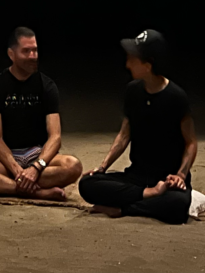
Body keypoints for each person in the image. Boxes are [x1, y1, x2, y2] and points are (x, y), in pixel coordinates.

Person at [79, 29, 197, 224]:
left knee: (178, 205)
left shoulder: (176, 97)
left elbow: (191, 142)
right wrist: (102, 167)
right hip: (137, 177)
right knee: (87, 184)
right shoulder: (133, 91)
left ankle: (124, 208)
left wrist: (180, 176)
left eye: (132, 59)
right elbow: (124, 135)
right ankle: (147, 195)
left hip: (167, 180)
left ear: (148, 65)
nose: (127, 64)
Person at [0, 27, 82, 200]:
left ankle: (2, 186)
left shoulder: (47, 86)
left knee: (73, 166)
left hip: (37, 154)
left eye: (35, 50)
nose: (33, 56)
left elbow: (55, 137)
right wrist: (18, 172)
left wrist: (36, 168)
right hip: (8, 157)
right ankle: (38, 192)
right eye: (26, 51)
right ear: (11, 54)